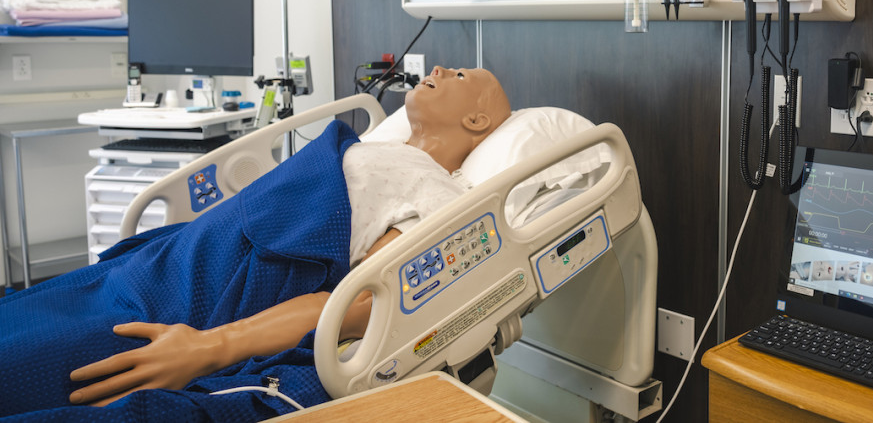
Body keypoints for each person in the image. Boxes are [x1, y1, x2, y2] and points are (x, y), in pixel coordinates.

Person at [0, 66, 510, 418]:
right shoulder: (374, 149)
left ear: (477, 121)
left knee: (23, 362)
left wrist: (208, 347)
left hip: (188, 300)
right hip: (161, 263)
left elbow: (359, 302)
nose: (440, 69)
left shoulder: (442, 194)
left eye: (461, 76)